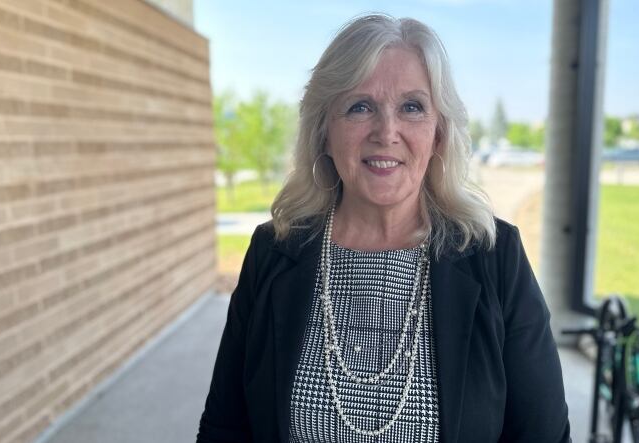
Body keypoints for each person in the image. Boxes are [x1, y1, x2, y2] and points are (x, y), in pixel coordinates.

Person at [198, 13, 570, 443]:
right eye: (360, 107)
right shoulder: (274, 250)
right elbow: (225, 427)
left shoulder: (494, 254)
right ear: (323, 132)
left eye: (412, 107)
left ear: (439, 133)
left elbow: (543, 435)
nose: (386, 132)